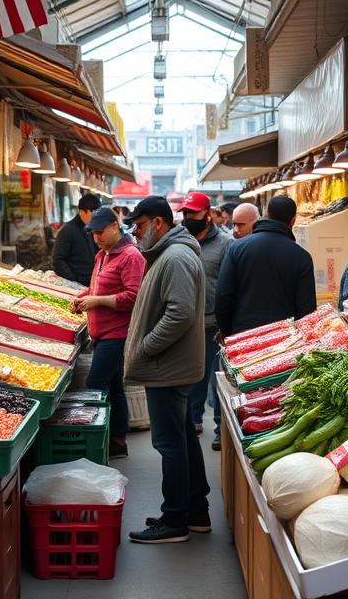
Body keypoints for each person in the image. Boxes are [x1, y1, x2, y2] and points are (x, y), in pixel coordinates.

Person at [122, 196, 208, 544]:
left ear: (158, 223)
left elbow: (180, 313)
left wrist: (146, 347)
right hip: (172, 366)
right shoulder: (170, 254)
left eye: (140, 225)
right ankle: (195, 511)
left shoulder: (174, 258)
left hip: (168, 368)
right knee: (182, 437)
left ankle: (174, 520)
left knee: (168, 443)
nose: (135, 232)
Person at [70, 207, 145, 460]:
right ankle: (117, 440)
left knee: (95, 384)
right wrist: (82, 297)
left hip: (118, 334)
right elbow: (95, 287)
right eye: (93, 233)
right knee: (114, 386)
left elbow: (133, 297)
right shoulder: (103, 254)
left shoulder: (131, 256)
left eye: (100, 232)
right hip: (101, 333)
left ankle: (98, 442)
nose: (97, 237)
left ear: (115, 226)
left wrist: (97, 301)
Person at [176, 191, 232, 450]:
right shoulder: (180, 241)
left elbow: (230, 284)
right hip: (187, 321)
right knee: (192, 376)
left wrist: (226, 321)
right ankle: (194, 420)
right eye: (185, 213)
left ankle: (221, 428)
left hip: (214, 322)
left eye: (193, 213)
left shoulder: (225, 244)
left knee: (218, 377)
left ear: (207, 215)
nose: (188, 217)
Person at [215, 196, 315, 338]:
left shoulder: (237, 248)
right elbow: (307, 310)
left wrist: (228, 332)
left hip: (243, 336)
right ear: (293, 221)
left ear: (267, 214)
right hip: (285, 340)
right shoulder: (302, 257)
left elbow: (223, 295)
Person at [52, 193, 101, 285]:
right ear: (82, 212)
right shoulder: (67, 230)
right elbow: (58, 259)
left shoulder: (93, 229)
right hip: (76, 284)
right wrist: (73, 281)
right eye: (93, 214)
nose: (96, 218)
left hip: (92, 282)